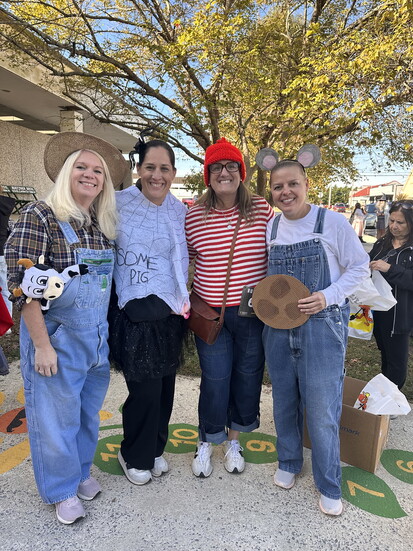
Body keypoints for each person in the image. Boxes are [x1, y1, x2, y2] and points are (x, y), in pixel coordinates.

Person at [5, 132, 126, 524]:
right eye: (82, 167)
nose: (90, 175)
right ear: (65, 173)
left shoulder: (98, 224)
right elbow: (22, 287)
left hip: (94, 339)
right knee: (54, 420)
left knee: (87, 415)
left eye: (97, 171)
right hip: (55, 339)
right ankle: (59, 490)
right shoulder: (38, 217)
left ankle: (79, 472)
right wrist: (41, 345)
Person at [262, 154, 370, 516]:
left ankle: (328, 483)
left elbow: (360, 267)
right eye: (278, 186)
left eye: (293, 183)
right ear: (271, 191)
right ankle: (289, 461)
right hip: (279, 329)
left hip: (322, 329)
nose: (286, 191)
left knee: (322, 408)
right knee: (284, 401)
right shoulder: (272, 229)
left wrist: (327, 296)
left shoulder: (333, 222)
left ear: (307, 184)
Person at [185, 138, 274, 477]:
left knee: (247, 378)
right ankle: (207, 439)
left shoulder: (263, 210)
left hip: (253, 314)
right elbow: (185, 261)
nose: (224, 172)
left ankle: (233, 440)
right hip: (212, 314)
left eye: (231, 166)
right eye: (217, 167)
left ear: (242, 172)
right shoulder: (194, 215)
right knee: (215, 378)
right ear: (207, 175)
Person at [109, 138, 189, 486]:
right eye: (150, 167)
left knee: (165, 388)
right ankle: (133, 454)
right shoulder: (115, 204)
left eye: (164, 168)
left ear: (173, 173)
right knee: (144, 390)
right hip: (134, 314)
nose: (157, 175)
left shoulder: (180, 210)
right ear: (138, 169)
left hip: (170, 313)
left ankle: (155, 449)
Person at [369, 200, 413, 390]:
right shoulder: (382, 243)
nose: (394, 226)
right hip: (379, 311)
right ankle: (384, 396)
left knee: (397, 360)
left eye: (400, 222)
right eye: (392, 220)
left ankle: (392, 398)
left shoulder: (410, 250)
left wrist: (390, 269)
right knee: (385, 355)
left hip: (400, 315)